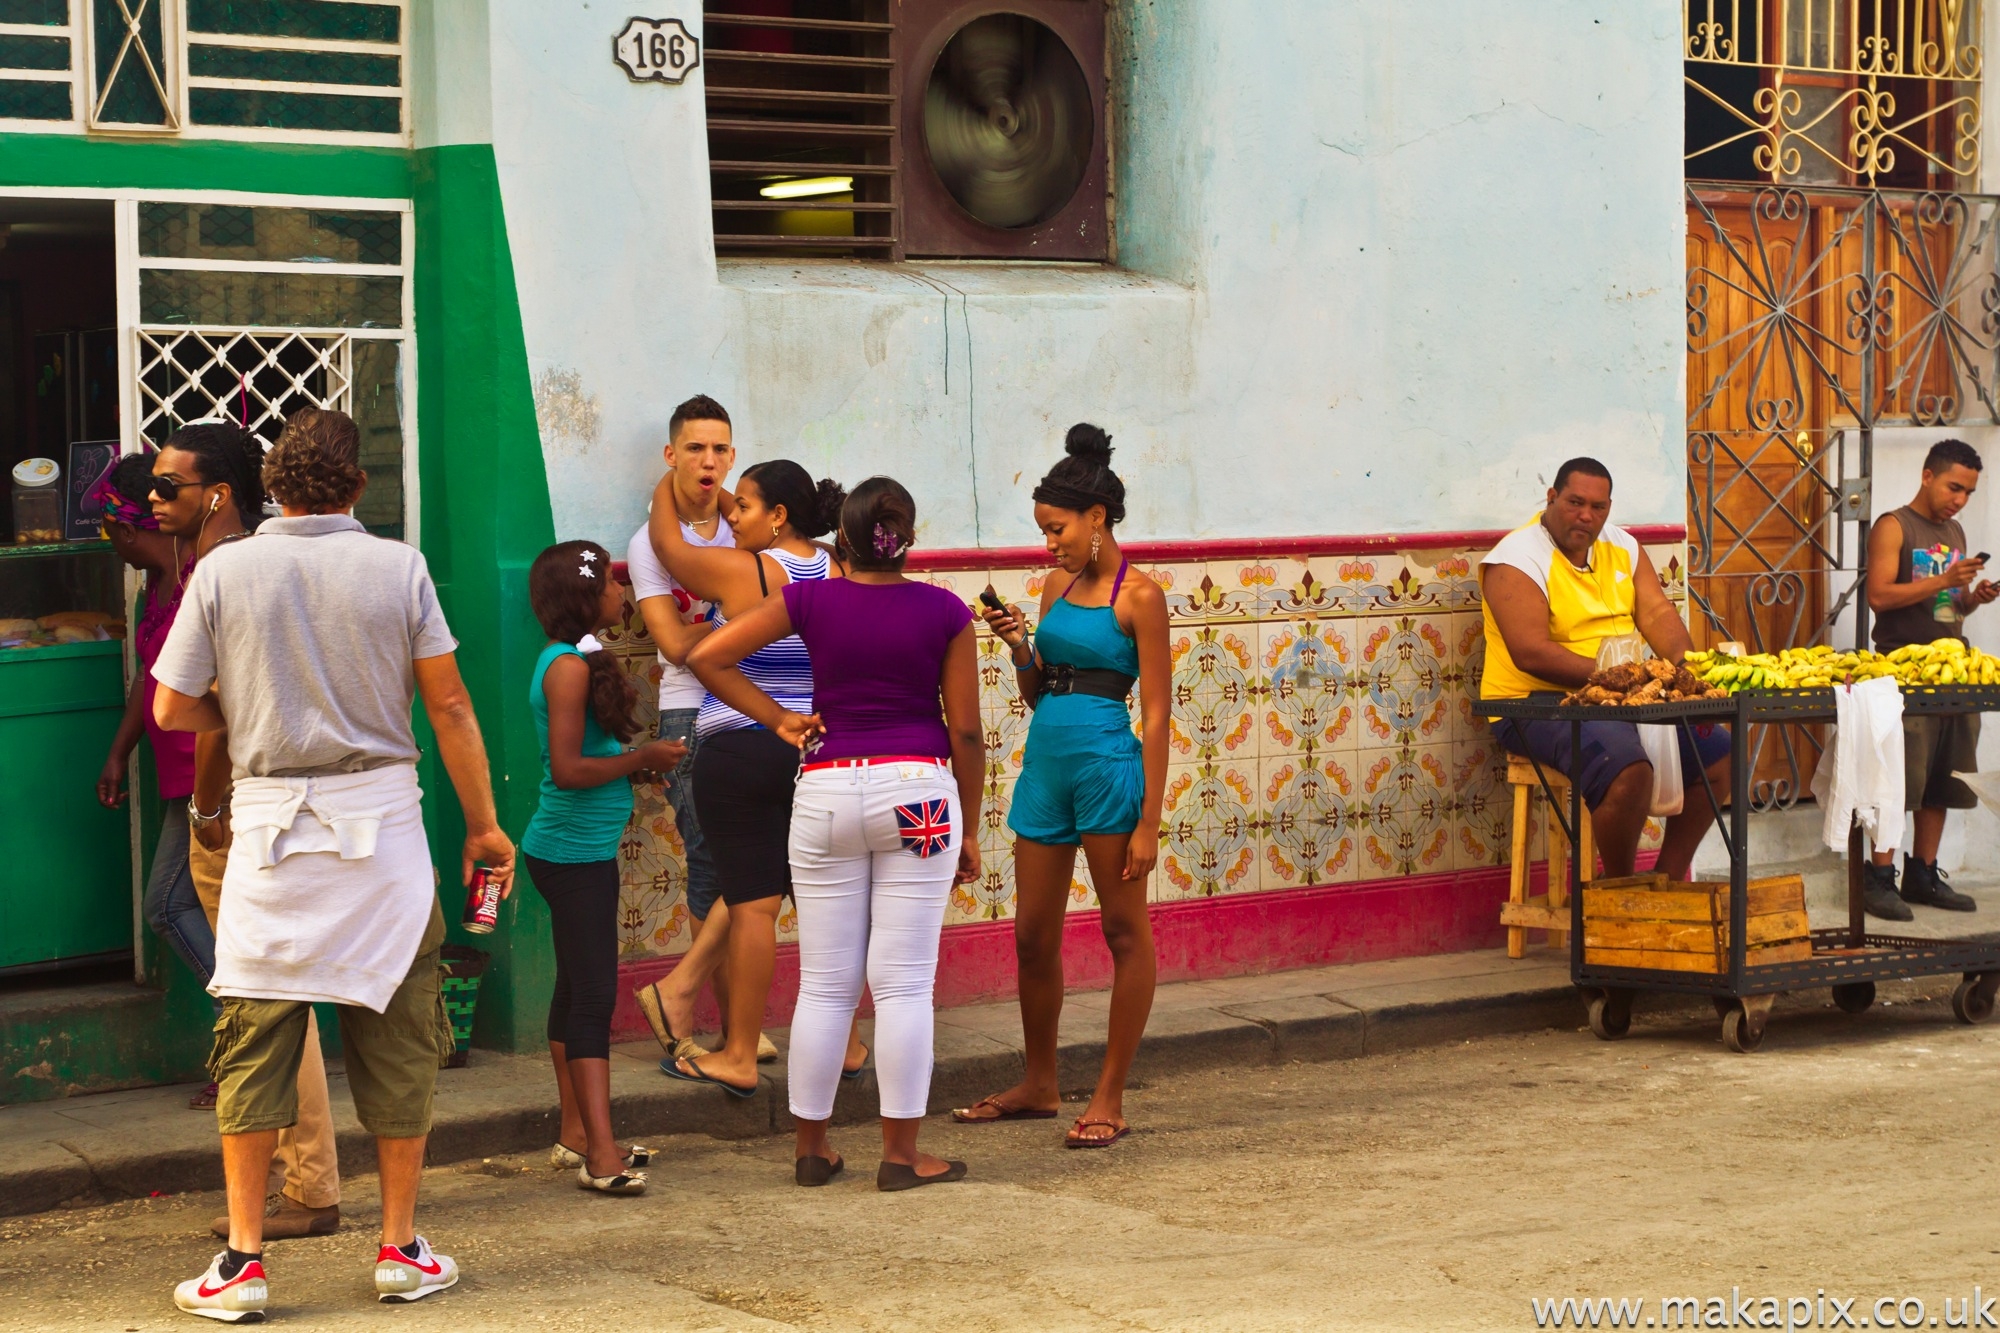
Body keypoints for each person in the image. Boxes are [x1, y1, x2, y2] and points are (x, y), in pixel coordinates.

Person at [154, 406, 515, 1320]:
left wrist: (249, 720)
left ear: (269, 488)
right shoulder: (398, 567)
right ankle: (399, 1247)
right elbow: (452, 708)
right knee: (398, 1036)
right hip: (382, 827)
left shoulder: (224, 570)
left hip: (270, 831)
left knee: (256, 1042)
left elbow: (169, 708)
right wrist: (483, 826)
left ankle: (241, 1263)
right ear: (358, 487)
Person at [689, 477, 984, 1190]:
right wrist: (968, 827)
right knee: (905, 982)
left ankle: (812, 1150)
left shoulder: (808, 598)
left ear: (840, 541)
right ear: (907, 538)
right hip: (918, 796)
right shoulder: (946, 612)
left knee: (825, 983)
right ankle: (902, 1155)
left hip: (823, 792)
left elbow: (706, 656)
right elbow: (967, 731)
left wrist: (780, 718)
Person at [955, 424, 1170, 1149]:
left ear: (1097, 520)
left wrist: (1149, 818)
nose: (1050, 544)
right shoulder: (1053, 587)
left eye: (1058, 529)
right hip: (1045, 769)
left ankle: (1109, 1092)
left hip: (1110, 773)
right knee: (1032, 934)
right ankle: (1040, 1082)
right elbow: (1040, 693)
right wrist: (1020, 644)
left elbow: (1159, 713)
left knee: (1122, 931)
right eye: (1044, 531)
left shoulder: (1140, 596)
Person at [649, 457, 853, 1096]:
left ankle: (738, 1050)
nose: (732, 516)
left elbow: (667, 547)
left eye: (744, 506)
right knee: (815, 895)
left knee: (752, 903)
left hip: (740, 745)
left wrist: (675, 472)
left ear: (778, 516)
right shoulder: (837, 571)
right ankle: (844, 1041)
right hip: (811, 751)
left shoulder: (752, 570)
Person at [522, 540, 687, 1194]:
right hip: (569, 853)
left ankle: (577, 1135)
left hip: (579, 851)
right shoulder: (565, 667)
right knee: (593, 997)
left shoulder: (581, 658)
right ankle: (603, 1155)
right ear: (587, 596)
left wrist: (638, 763)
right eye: (615, 583)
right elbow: (568, 769)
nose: (623, 593)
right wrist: (639, 757)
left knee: (572, 993)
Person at [1480, 457, 1732, 881]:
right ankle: (1619, 892)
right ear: (1552, 497)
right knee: (1627, 769)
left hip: (1621, 698)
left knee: (1721, 756)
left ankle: (1666, 885)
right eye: (1575, 502)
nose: (1586, 515)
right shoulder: (1516, 557)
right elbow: (1531, 653)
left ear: (1609, 509)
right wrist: (1625, 682)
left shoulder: (1623, 546)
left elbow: (1656, 612)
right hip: (1531, 704)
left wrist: (1687, 675)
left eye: (1598, 507)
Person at [624, 396, 776, 1067]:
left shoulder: (746, 531)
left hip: (762, 707)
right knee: (714, 866)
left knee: (762, 864)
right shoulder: (648, 543)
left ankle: (727, 1023)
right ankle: (712, 1023)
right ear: (671, 455)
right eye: (694, 449)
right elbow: (671, 644)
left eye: (719, 449)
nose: (708, 461)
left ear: (733, 457)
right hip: (692, 710)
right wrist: (747, 619)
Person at [1861, 438, 2000, 919]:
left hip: (1951, 669)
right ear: (1927, 476)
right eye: (1953, 487)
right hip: (1904, 669)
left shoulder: (1956, 531)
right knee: (1900, 777)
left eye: (1968, 492)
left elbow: (1945, 607)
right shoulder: (1893, 526)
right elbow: (1879, 596)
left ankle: (1923, 872)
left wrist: (1972, 598)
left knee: (1945, 773)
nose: (1959, 499)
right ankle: (1879, 877)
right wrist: (1944, 580)